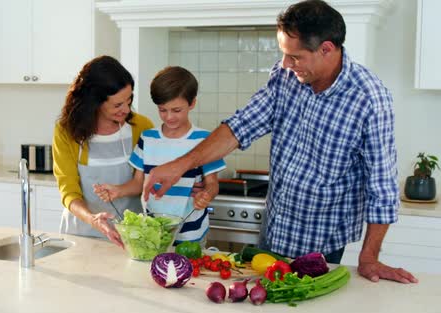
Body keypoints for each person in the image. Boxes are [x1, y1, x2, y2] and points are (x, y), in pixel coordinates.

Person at [142, 0, 418, 284]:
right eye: (284, 54)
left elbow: (382, 186)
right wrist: (179, 165)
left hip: (321, 241)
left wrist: (369, 257)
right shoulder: (286, 76)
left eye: (295, 56)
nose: (286, 64)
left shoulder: (369, 99)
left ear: (326, 49)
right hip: (274, 228)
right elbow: (240, 126)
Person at [94, 66, 226, 245]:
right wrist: (118, 191)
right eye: (163, 110)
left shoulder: (205, 141)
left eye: (176, 110)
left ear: (192, 103)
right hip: (154, 233)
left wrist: (207, 195)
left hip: (191, 234)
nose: (169, 117)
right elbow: (138, 183)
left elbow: (212, 184)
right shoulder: (148, 138)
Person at [52, 55, 154, 248]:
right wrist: (93, 219)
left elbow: (147, 182)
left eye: (129, 100)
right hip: (81, 235)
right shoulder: (67, 132)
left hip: (130, 236)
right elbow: (68, 191)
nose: (126, 109)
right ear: (95, 101)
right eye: (117, 105)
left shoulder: (142, 127)